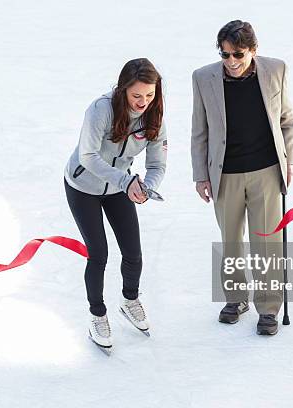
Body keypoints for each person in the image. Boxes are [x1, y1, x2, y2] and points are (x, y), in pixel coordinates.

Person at [190, 20, 293, 335]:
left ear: (253, 50)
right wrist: (200, 175)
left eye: (238, 54)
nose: (231, 62)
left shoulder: (276, 69)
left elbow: (287, 120)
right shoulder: (203, 78)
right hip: (225, 174)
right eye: (225, 55)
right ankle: (235, 299)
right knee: (232, 242)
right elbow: (200, 130)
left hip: (266, 171)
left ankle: (268, 308)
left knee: (267, 243)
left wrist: (288, 162)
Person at [64, 58, 167, 350]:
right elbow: (88, 157)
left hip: (119, 187)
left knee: (133, 252)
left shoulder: (154, 117)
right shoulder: (101, 110)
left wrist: (147, 187)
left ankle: (130, 300)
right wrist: (126, 182)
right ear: (123, 91)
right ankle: (97, 315)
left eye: (149, 95)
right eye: (136, 96)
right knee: (99, 254)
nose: (143, 102)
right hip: (82, 185)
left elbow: (158, 164)